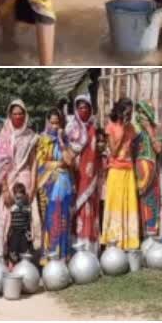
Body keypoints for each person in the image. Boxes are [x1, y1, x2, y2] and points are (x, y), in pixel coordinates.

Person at [0, 100, 40, 259]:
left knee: (26, 218)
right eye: (15, 113)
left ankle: (26, 257)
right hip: (9, 179)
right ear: (10, 115)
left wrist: (33, 185)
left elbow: (33, 161)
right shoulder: (4, 135)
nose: (18, 116)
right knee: (6, 215)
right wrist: (5, 188)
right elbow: (1, 163)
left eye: (21, 113)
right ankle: (6, 256)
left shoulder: (30, 135)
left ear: (25, 114)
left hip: (25, 179)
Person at [36, 108, 75, 261]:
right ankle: (50, 257)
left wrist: (61, 141)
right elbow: (41, 164)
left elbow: (70, 161)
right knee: (51, 219)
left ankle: (63, 256)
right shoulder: (42, 140)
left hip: (64, 185)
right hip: (49, 186)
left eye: (57, 123)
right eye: (51, 122)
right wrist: (58, 164)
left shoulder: (65, 140)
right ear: (47, 122)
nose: (54, 126)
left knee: (64, 219)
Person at [102, 98, 140, 251]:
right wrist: (123, 130)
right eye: (127, 113)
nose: (129, 116)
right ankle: (114, 240)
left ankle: (129, 241)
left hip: (129, 170)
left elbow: (134, 151)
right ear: (119, 111)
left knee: (128, 204)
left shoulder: (132, 128)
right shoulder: (110, 127)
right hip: (116, 170)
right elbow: (114, 151)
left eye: (131, 113)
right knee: (115, 205)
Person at [66, 95, 100, 254]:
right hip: (76, 176)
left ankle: (90, 247)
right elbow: (68, 151)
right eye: (80, 107)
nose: (83, 110)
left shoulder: (94, 128)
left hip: (91, 177)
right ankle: (76, 245)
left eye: (86, 107)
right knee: (77, 208)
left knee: (89, 208)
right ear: (76, 109)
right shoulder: (71, 128)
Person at [134, 101, 162, 238]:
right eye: (140, 112)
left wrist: (150, 130)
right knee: (137, 204)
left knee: (151, 204)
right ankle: (138, 237)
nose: (142, 116)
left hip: (152, 175)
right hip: (136, 174)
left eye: (145, 112)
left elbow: (158, 149)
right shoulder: (133, 130)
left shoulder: (156, 128)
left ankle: (151, 236)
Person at [7, 182, 32, 267]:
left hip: (24, 233)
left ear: (24, 196)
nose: (19, 200)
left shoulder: (27, 208)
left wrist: (30, 232)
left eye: (21, 198)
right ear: (14, 197)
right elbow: (9, 222)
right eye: (17, 198)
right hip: (14, 233)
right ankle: (12, 267)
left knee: (24, 250)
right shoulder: (13, 208)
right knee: (13, 250)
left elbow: (29, 221)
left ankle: (23, 267)